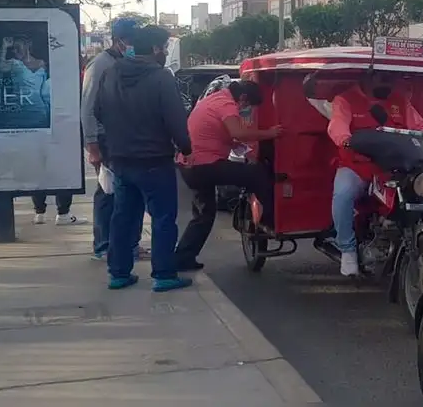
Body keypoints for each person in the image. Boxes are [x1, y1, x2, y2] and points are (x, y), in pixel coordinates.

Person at [94, 25, 193, 292]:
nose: (164, 52)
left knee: (122, 217)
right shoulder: (161, 77)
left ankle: (119, 273)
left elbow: (97, 111)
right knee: (162, 218)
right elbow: (176, 120)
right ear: (155, 49)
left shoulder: (110, 73)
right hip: (154, 160)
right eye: (164, 47)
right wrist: (186, 148)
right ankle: (163, 275)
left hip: (121, 159)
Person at [327, 72, 423, 276]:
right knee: (343, 194)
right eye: (383, 78)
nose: (389, 83)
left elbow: (419, 128)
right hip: (358, 166)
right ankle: (347, 250)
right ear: (367, 77)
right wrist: (345, 139)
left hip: (393, 169)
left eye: (391, 78)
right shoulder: (345, 99)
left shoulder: (399, 101)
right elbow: (337, 125)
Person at [175, 80, 282, 271]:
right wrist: (270, 133)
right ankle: (270, 219)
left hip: (190, 167)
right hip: (204, 166)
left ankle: (183, 257)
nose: (246, 109)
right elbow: (238, 132)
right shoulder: (227, 104)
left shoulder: (213, 99)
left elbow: (218, 133)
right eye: (248, 105)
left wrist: (235, 145)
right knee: (256, 174)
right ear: (243, 98)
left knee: (204, 215)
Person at [83, 18, 149, 261]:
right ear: (119, 40)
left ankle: (129, 245)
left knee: (128, 195)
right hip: (104, 139)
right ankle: (103, 245)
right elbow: (88, 107)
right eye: (129, 40)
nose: (132, 45)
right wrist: (92, 145)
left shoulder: (125, 63)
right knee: (107, 193)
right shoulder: (100, 65)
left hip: (125, 139)